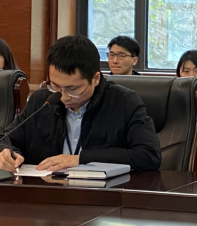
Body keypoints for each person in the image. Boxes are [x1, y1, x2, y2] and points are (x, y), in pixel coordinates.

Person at [0, 35, 161, 173]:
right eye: (55, 86)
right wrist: (7, 152)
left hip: (102, 194)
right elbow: (7, 138)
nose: (63, 97)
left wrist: (81, 159)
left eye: (73, 89)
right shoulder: (42, 101)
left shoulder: (124, 102)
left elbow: (149, 155)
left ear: (95, 79)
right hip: (46, 190)